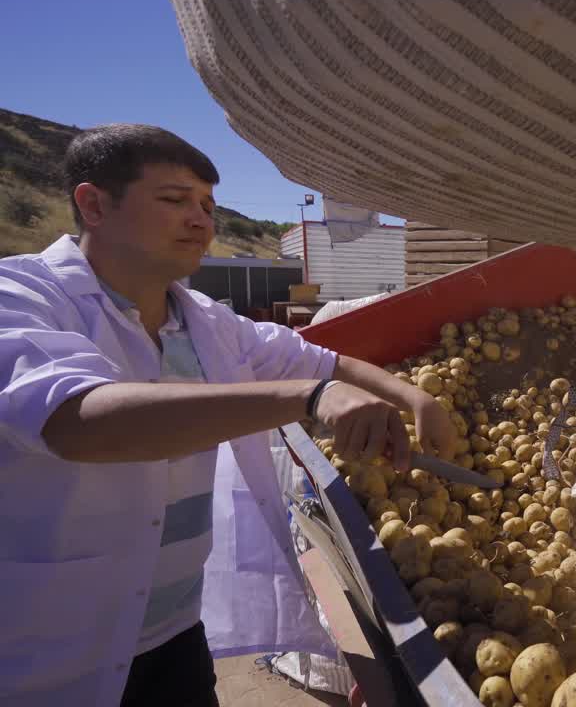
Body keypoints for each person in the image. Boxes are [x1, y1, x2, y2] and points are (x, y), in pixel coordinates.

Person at [0, 124, 457, 706]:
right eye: (174, 200)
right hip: (51, 652)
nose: (200, 220)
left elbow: (323, 358)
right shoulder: (22, 298)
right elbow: (77, 418)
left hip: (174, 635)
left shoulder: (208, 323)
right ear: (93, 204)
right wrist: (308, 399)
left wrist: (414, 397)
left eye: (208, 206)